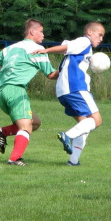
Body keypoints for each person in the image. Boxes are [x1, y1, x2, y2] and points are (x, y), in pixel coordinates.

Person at [34, 21, 105, 166]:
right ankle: (68, 136)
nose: (101, 39)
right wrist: (47, 51)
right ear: (90, 32)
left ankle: (73, 161)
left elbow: (65, 55)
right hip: (76, 88)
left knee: (84, 125)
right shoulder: (85, 41)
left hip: (63, 92)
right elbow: (66, 47)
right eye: (100, 35)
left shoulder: (75, 53)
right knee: (96, 120)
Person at [0, 18, 59, 166]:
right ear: (32, 31)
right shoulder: (37, 51)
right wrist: (68, 72)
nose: (43, 35)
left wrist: (4, 73)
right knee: (26, 126)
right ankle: (14, 159)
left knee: (35, 122)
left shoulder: (11, 47)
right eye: (41, 31)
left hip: (2, 91)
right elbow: (51, 75)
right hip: (16, 90)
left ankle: (2, 131)